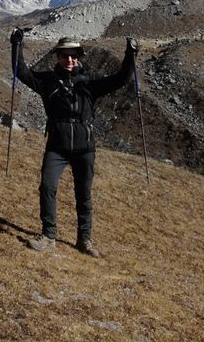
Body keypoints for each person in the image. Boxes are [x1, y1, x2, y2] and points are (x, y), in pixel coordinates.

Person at [10, 30, 138, 258]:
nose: (69, 60)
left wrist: (131, 53)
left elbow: (122, 78)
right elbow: (21, 72)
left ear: (78, 57)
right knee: (47, 186)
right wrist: (17, 44)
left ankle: (84, 239)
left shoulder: (90, 84)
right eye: (65, 56)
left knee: (84, 194)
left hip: (85, 149)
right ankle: (49, 235)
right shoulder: (47, 81)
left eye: (73, 56)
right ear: (58, 57)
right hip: (57, 147)